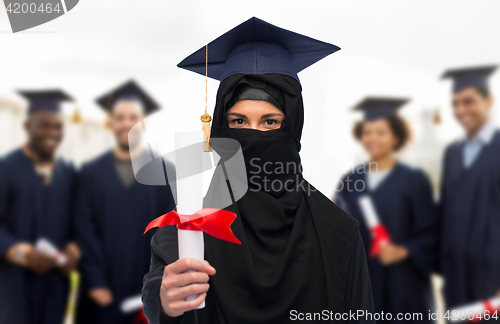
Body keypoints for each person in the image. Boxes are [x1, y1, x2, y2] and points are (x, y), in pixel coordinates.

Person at [142, 17, 374, 324]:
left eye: (270, 122)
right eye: (238, 122)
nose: (254, 136)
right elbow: (161, 294)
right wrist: (166, 301)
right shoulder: (186, 230)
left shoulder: (338, 234)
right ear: (221, 129)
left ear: (292, 126)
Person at [75, 80, 176, 324]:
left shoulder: (165, 171)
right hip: (101, 292)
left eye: (133, 117)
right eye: (119, 117)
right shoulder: (89, 173)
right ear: (110, 123)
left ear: (143, 122)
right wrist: (96, 282)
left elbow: (170, 231)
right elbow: (83, 232)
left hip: (147, 287)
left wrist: (158, 283)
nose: (126, 123)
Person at [335, 98, 438, 322]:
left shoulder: (414, 180)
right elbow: (337, 228)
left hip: (403, 282)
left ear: (395, 137)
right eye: (367, 132)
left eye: (380, 132)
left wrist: (404, 251)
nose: (372, 138)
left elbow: (431, 232)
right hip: (362, 279)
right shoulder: (351, 180)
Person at [0, 90, 80, 324]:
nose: (53, 133)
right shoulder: (6, 169)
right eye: (45, 126)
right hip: (15, 286)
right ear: (27, 125)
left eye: (58, 127)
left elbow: (79, 223)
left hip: (56, 285)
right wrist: (21, 253)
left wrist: (74, 252)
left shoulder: (67, 173)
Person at [439, 65, 500, 308]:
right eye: (455, 103)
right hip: (456, 278)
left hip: (492, 278)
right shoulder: (452, 153)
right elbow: (445, 213)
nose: (461, 110)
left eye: (468, 101)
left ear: (489, 100)